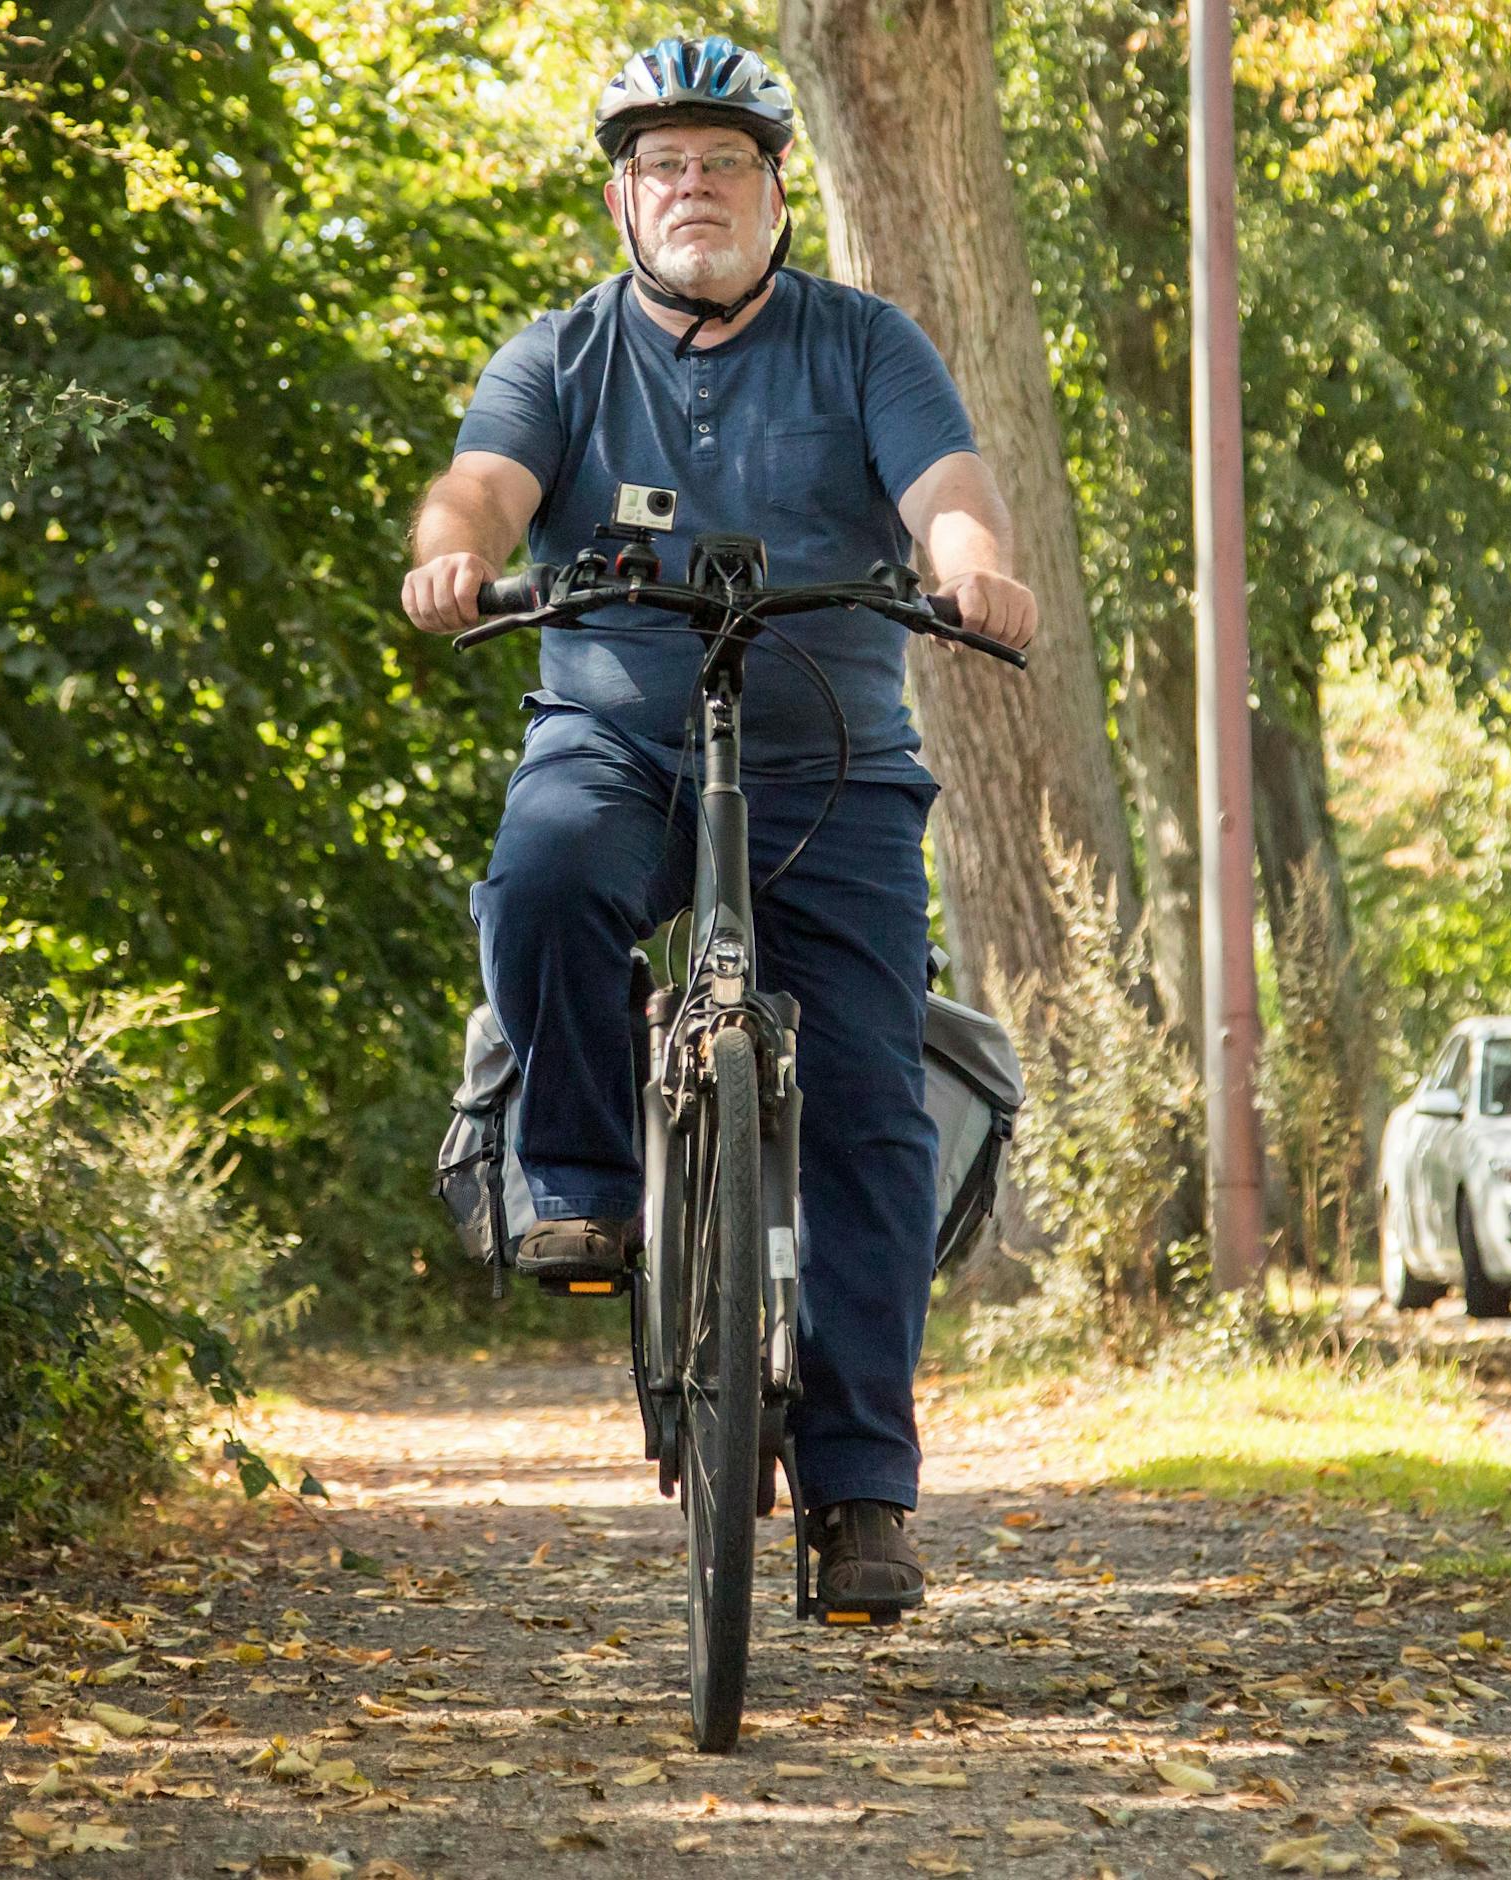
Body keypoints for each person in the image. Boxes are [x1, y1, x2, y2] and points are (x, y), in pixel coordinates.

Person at [402, 35, 1035, 1612]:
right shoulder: (560, 354)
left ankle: (861, 1495)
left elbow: (948, 484)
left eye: (726, 165)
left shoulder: (864, 343)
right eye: (666, 166)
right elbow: (482, 488)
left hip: (831, 757)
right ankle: (583, 1181)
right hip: (615, 736)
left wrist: (970, 561)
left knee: (876, 1105)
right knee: (541, 876)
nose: (697, 190)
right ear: (625, 196)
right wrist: (455, 557)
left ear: (776, 190)